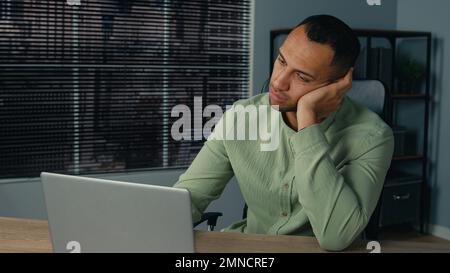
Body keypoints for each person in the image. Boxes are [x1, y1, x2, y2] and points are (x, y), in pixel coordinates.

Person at [173, 14, 394, 251]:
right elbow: (187, 200)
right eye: (281, 60)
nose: (278, 81)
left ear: (338, 84)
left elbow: (336, 237)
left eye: (301, 76)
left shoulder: (372, 137)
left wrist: (307, 119)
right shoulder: (240, 118)